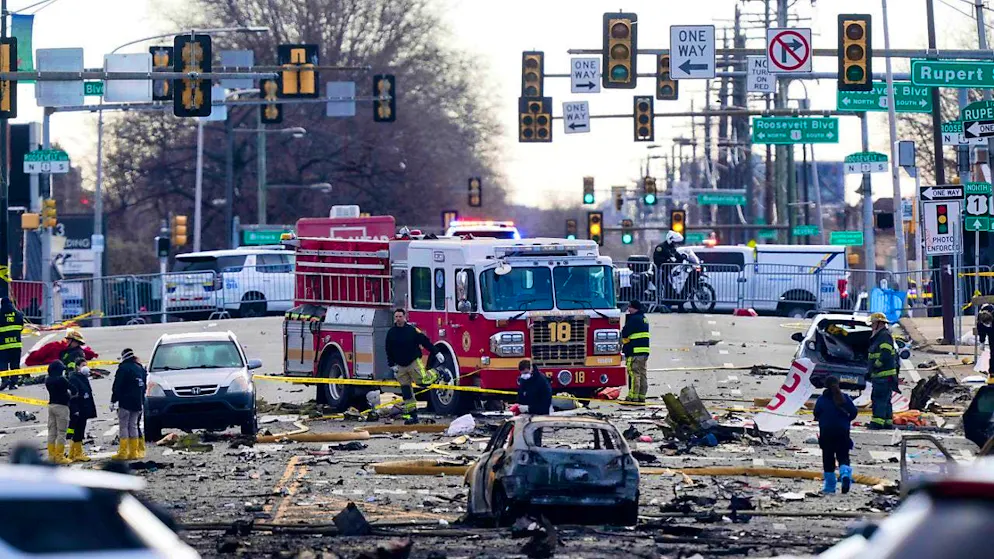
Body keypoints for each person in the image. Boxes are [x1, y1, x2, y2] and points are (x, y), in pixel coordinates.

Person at [385, 308, 439, 425]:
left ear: (405, 317)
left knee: (423, 380)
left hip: (413, 361)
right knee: (406, 392)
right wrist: (392, 365)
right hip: (400, 366)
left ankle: (438, 373)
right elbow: (388, 350)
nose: (398, 319)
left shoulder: (412, 330)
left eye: (400, 316)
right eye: (396, 317)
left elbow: (425, 342)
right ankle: (413, 416)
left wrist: (436, 352)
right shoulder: (391, 333)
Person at [814, 376, 858, 494]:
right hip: (842, 431)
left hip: (826, 432)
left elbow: (816, 413)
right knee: (843, 456)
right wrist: (847, 420)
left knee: (828, 459)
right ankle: (845, 474)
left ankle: (830, 487)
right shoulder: (845, 398)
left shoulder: (821, 400)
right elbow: (854, 412)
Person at [111, 348, 146, 460]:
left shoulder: (123, 368)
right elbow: (144, 385)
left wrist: (113, 400)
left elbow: (117, 386)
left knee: (124, 427)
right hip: (137, 402)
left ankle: (123, 452)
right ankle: (134, 452)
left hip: (125, 402)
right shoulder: (139, 368)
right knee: (134, 426)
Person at [867, 312, 899, 430]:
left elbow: (885, 354)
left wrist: (876, 366)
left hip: (882, 375)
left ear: (879, 323)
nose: (871, 326)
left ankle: (877, 423)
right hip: (885, 375)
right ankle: (887, 421)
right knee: (885, 400)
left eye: (873, 323)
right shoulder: (881, 335)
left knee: (878, 399)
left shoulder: (883, 336)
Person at [66, 359, 97, 462]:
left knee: (79, 430)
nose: (85, 367)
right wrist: (75, 409)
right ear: (77, 367)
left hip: (84, 408)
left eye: (86, 365)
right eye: (83, 365)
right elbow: (73, 396)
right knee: (77, 431)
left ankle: (73, 453)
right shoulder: (74, 378)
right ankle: (77, 453)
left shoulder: (83, 377)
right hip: (78, 409)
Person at [24, 328, 98, 371]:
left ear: (75, 341)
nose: (67, 341)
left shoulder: (77, 353)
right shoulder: (67, 350)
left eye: (69, 340)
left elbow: (71, 367)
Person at [621, 299, 650, 404]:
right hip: (644, 352)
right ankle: (642, 396)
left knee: (634, 374)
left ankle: (633, 397)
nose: (628, 309)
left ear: (634, 308)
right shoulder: (644, 319)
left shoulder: (634, 319)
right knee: (642, 374)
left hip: (634, 351)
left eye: (630, 307)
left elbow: (625, 332)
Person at [44, 361, 71, 465]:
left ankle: (51, 456)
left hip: (51, 406)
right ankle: (59, 456)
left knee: (52, 432)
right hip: (62, 407)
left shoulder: (48, 380)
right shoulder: (61, 379)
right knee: (62, 432)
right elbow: (72, 389)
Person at [652, 231, 688, 308]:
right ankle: (665, 305)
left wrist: (683, 257)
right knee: (667, 288)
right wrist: (668, 261)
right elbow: (657, 259)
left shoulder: (671, 248)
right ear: (670, 239)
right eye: (674, 242)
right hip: (660, 272)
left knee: (671, 288)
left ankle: (673, 305)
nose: (675, 244)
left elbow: (677, 256)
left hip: (668, 272)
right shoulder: (661, 247)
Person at [0, 297, 24, 391]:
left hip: (2, 346)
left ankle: (5, 380)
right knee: (15, 364)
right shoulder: (18, 314)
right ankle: (13, 383)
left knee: (2, 363)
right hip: (16, 344)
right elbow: (21, 327)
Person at [978, 304, 994, 378]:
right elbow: (981, 332)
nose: (988, 325)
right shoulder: (980, 323)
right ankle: (992, 372)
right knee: (993, 352)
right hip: (991, 335)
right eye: (987, 323)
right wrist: (982, 342)